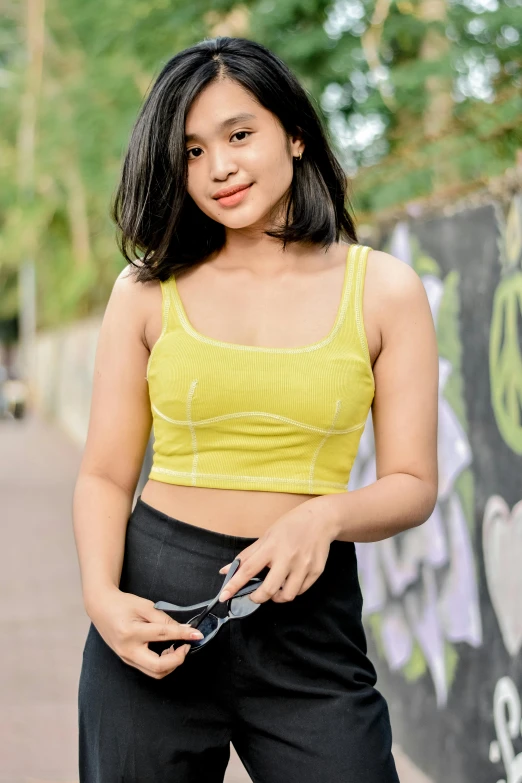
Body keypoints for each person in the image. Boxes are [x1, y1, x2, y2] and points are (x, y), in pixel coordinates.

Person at [74, 35, 438, 783]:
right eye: (193, 151)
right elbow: (106, 475)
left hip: (309, 613)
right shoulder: (144, 290)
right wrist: (103, 600)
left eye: (239, 134)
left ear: (295, 133)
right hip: (154, 610)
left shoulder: (384, 289)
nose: (220, 168)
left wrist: (322, 516)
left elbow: (413, 480)